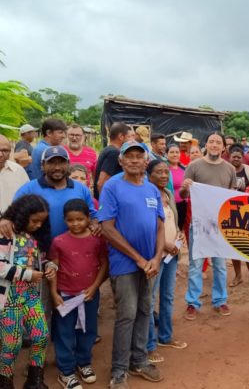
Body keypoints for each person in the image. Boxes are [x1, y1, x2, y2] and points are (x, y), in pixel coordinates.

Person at [98, 141, 165, 388]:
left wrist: (156, 259)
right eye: (130, 156)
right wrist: (139, 259)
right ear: (121, 161)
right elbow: (107, 228)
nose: (135, 160)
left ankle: (140, 360)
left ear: (146, 161)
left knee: (145, 311)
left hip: (149, 264)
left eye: (139, 156)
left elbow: (159, 226)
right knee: (126, 314)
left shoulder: (151, 189)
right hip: (125, 263)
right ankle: (119, 371)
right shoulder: (112, 187)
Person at [0, 194, 53, 389]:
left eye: (42, 221)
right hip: (8, 299)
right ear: (23, 216)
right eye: (34, 221)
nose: (38, 225)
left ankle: (35, 381)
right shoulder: (5, 233)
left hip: (31, 296)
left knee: (40, 336)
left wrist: (50, 266)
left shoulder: (36, 238)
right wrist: (26, 274)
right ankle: (5, 383)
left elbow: (39, 261)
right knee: (12, 344)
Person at [49, 199, 107, 389]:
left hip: (89, 295)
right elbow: (53, 268)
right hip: (65, 295)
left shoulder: (97, 239)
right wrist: (54, 293)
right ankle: (66, 372)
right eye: (70, 220)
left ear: (88, 218)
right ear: (64, 220)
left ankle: (84, 363)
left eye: (80, 219)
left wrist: (95, 287)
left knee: (88, 330)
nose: (75, 224)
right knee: (64, 333)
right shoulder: (58, 242)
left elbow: (104, 263)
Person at [180, 132, 237, 320]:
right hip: (198, 223)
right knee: (196, 264)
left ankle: (220, 300)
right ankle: (192, 302)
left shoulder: (229, 169)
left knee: (220, 265)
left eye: (218, 142)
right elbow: (182, 194)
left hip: (220, 224)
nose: (214, 145)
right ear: (206, 145)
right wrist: (186, 187)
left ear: (223, 147)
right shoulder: (194, 166)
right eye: (211, 142)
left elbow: (231, 196)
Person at [145, 160, 188, 366]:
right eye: (158, 172)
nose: (164, 175)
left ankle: (165, 336)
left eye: (165, 172)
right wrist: (164, 245)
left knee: (168, 296)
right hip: (155, 255)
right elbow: (147, 228)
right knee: (150, 298)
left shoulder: (169, 195)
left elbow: (172, 221)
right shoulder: (145, 196)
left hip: (172, 254)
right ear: (148, 175)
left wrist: (178, 237)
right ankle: (149, 344)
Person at [228, 144, 249, 287]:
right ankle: (238, 275)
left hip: (248, 212)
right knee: (234, 246)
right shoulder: (226, 170)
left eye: (239, 157)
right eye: (233, 157)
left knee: (248, 245)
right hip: (230, 212)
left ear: (243, 158)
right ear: (229, 157)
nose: (236, 159)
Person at [94, 122, 133, 198]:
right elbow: (101, 183)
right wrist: (104, 204)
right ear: (121, 137)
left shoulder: (107, 150)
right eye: (128, 137)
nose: (131, 140)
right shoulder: (114, 153)